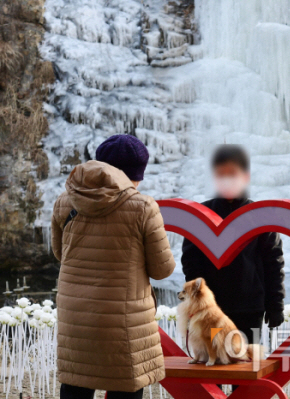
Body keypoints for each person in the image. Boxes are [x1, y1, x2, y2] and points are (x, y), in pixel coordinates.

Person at [51, 134, 176, 399]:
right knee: (125, 386)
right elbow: (162, 269)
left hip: (76, 317)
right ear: (134, 174)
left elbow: (61, 254)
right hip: (124, 322)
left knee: (76, 383)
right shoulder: (142, 206)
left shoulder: (65, 201)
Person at [181, 144, 285, 344]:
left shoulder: (260, 216)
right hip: (212, 311)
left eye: (233, 173)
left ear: (245, 177)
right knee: (216, 365)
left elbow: (274, 263)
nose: (227, 179)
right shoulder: (201, 215)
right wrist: (195, 303)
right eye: (221, 174)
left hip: (250, 309)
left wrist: (275, 306)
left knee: (247, 362)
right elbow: (191, 265)